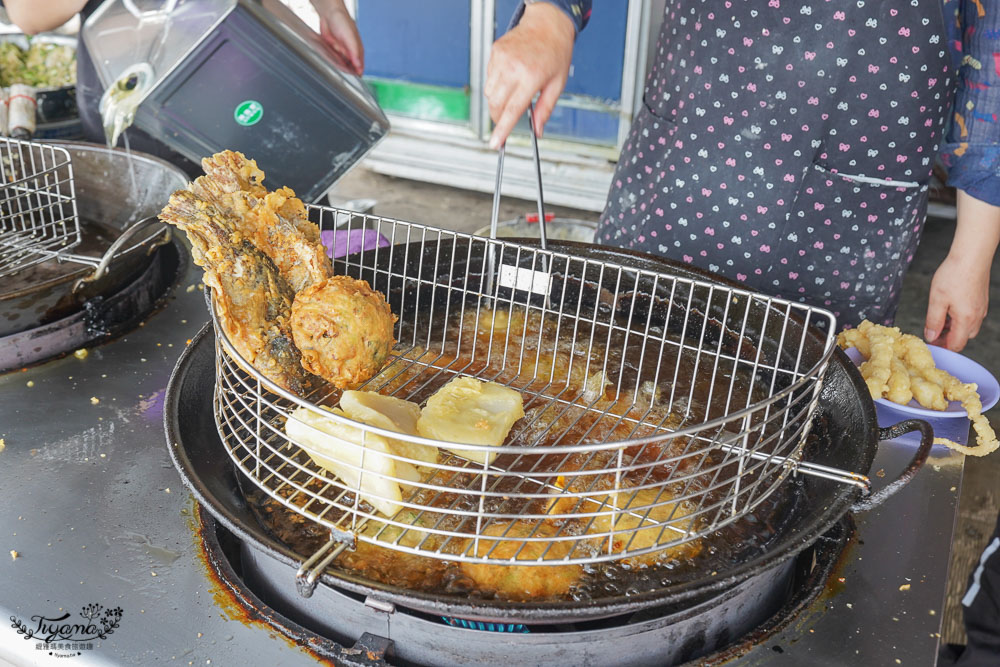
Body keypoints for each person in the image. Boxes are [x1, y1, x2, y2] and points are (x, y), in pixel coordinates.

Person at [486, 0, 999, 353]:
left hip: (853, 202)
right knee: (617, 360)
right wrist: (549, 15)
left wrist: (973, 252)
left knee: (807, 415)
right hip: (688, 151)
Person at [3, 0, 364, 174]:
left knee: (295, 226)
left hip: (257, 58)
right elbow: (31, 12)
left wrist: (332, 9)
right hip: (150, 101)